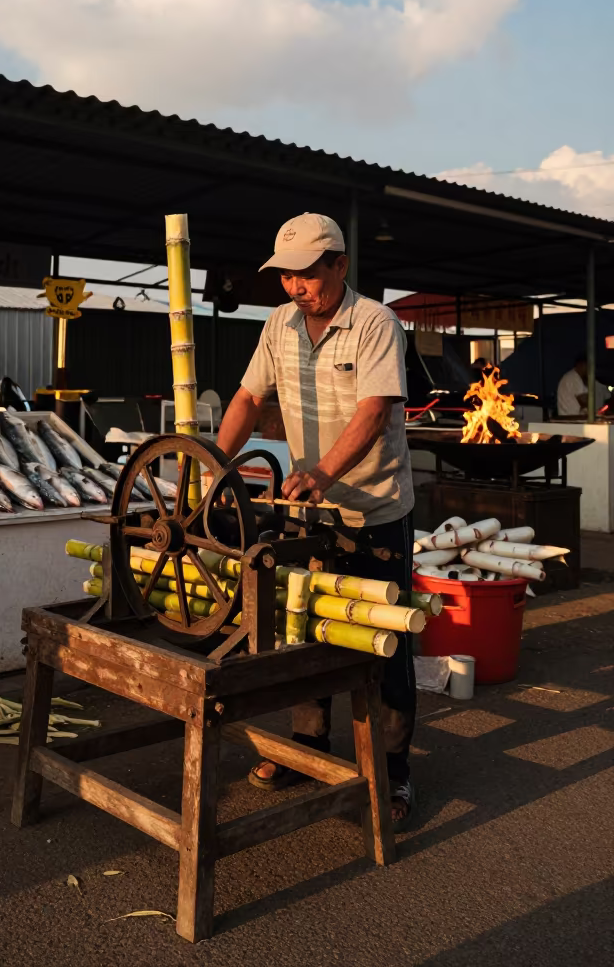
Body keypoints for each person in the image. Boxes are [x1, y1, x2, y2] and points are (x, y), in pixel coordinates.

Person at [214, 213, 416, 828]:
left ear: (340, 265)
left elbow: (376, 409)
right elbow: (250, 398)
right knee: (305, 630)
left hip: (373, 508)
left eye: (308, 275)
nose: (298, 287)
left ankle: (392, 772)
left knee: (384, 642)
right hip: (309, 509)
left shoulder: (376, 322)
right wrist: (211, 471)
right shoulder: (278, 325)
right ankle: (307, 751)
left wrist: (326, 472)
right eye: (286, 277)